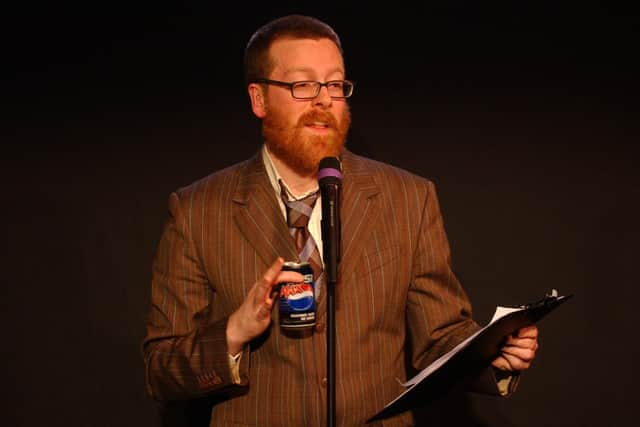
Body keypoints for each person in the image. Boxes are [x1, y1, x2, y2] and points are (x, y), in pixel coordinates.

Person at [142, 14, 539, 426]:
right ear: (258, 99)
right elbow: (160, 369)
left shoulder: (407, 198)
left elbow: (439, 339)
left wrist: (494, 352)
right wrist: (234, 332)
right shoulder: (197, 210)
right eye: (302, 85)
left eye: (334, 84)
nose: (323, 100)